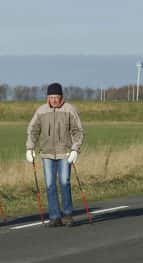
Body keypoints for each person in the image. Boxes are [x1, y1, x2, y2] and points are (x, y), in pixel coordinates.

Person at [26, 82, 84, 227]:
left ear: (61, 97)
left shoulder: (69, 109)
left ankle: (67, 215)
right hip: (46, 154)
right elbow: (33, 130)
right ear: (47, 97)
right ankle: (54, 216)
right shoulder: (41, 111)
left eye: (56, 97)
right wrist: (30, 147)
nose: (53, 100)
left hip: (65, 153)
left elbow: (78, 131)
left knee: (64, 182)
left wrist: (75, 149)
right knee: (50, 185)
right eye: (51, 97)